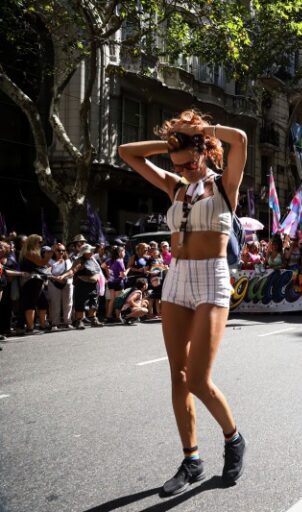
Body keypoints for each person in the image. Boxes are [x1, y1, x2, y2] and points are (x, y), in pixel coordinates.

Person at [118, 109, 247, 495]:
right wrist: (172, 141)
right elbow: (127, 152)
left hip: (212, 280)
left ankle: (233, 437)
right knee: (177, 375)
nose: (187, 169)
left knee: (198, 378)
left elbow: (239, 138)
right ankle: (191, 460)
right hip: (177, 282)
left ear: (205, 152)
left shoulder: (225, 185)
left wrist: (199, 133)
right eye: (180, 164)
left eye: (192, 161)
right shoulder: (175, 187)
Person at [19, 235, 50, 334]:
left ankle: (42, 325)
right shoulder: (29, 252)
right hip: (31, 281)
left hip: (38, 281)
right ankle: (30, 328)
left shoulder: (33, 252)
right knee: (30, 304)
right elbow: (42, 263)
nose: (41, 244)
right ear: (33, 242)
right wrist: (49, 254)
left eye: (42, 242)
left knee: (43, 303)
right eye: (39, 242)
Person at [71, 244, 104, 329]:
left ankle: (93, 320)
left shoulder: (93, 260)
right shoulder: (79, 260)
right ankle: (79, 321)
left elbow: (98, 272)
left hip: (93, 285)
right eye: (90, 251)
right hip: (82, 285)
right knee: (80, 302)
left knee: (94, 302)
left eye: (92, 251)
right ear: (84, 252)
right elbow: (73, 271)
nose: (92, 252)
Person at [48, 243, 74, 329]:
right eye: (59, 250)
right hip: (54, 283)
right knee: (55, 303)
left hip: (67, 283)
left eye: (63, 250)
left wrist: (63, 277)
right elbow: (47, 273)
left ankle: (68, 322)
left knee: (68, 303)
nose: (61, 252)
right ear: (54, 251)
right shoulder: (50, 261)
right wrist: (56, 278)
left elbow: (71, 272)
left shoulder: (67, 260)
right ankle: (55, 323)